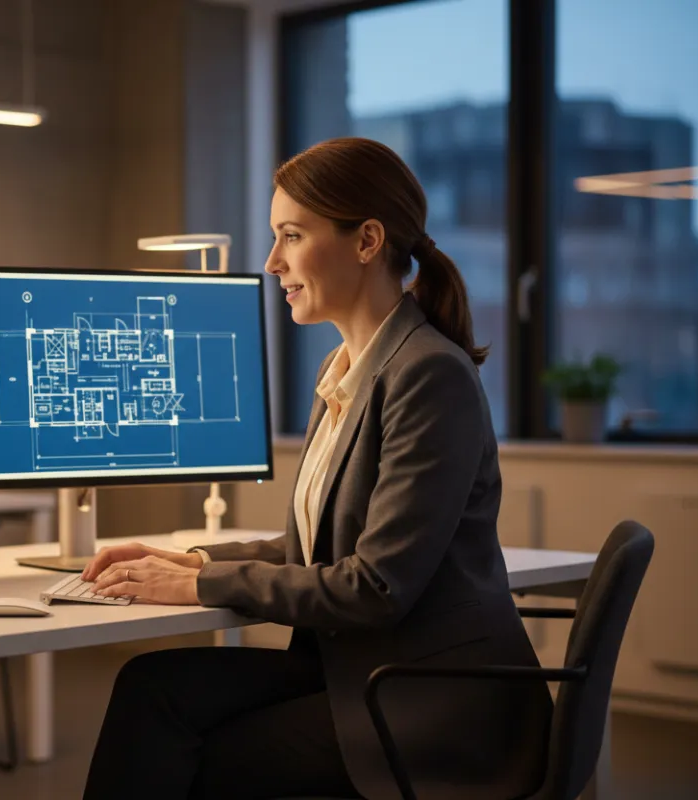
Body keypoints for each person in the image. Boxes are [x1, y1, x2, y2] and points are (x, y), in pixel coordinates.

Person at [78, 137, 552, 800]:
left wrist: (202, 588)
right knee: (150, 689)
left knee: (205, 759)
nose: (272, 262)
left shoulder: (428, 375)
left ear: (366, 241)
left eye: (291, 236)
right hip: (357, 667)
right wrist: (194, 564)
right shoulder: (345, 372)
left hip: (427, 701)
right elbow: (320, 551)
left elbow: (374, 587)